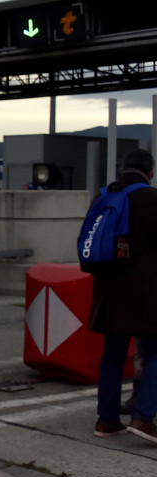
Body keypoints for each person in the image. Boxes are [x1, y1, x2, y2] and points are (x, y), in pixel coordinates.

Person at [87, 149, 157, 443]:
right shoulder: (151, 199)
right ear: (150, 172)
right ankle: (143, 419)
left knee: (113, 355)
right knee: (155, 352)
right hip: (146, 294)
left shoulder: (103, 196)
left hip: (108, 292)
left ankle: (106, 421)